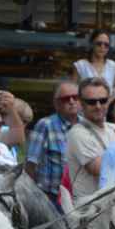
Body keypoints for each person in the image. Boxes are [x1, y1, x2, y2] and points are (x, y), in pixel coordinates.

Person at [66, 78, 115, 205]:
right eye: (91, 102)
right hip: (90, 215)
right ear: (81, 103)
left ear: (109, 101)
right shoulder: (77, 133)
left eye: (103, 101)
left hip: (114, 209)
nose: (98, 106)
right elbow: (99, 169)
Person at [25, 81, 79, 209]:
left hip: (79, 199)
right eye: (66, 99)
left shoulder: (86, 126)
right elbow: (30, 165)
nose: (72, 101)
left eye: (76, 97)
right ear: (56, 104)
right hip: (51, 200)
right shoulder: (45, 125)